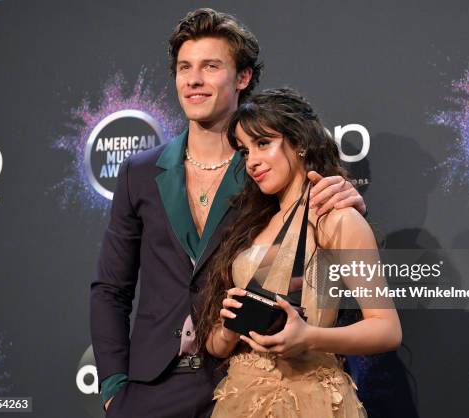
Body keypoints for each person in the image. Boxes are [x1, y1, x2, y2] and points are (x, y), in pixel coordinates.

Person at [90, 9, 367, 418]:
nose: (194, 80)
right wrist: (114, 386)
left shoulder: (268, 171)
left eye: (210, 66)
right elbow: (111, 289)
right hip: (151, 389)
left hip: (243, 383)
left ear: (243, 78)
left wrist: (347, 201)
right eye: (184, 67)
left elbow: (326, 250)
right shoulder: (140, 172)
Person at [195, 88, 402, 418]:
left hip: (309, 398)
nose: (253, 162)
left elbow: (387, 329)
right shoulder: (250, 224)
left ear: (301, 142)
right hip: (241, 397)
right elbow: (216, 346)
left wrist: (310, 337)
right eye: (245, 151)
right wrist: (228, 329)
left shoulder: (335, 218)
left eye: (263, 143)